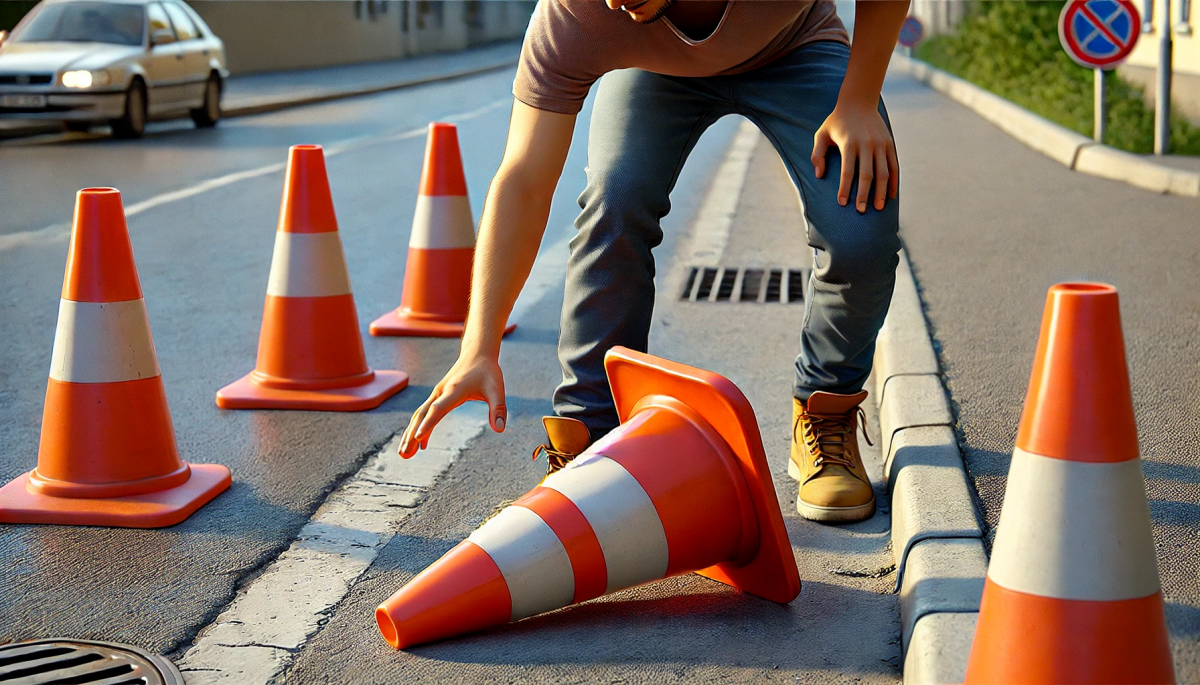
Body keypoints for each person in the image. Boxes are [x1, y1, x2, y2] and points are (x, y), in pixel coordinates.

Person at [400, 0, 908, 524]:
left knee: (860, 233)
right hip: (655, 70)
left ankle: (825, 410)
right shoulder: (573, 17)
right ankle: (591, 443)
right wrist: (477, 348)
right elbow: (524, 180)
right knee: (613, 203)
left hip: (793, 46)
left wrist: (860, 101)